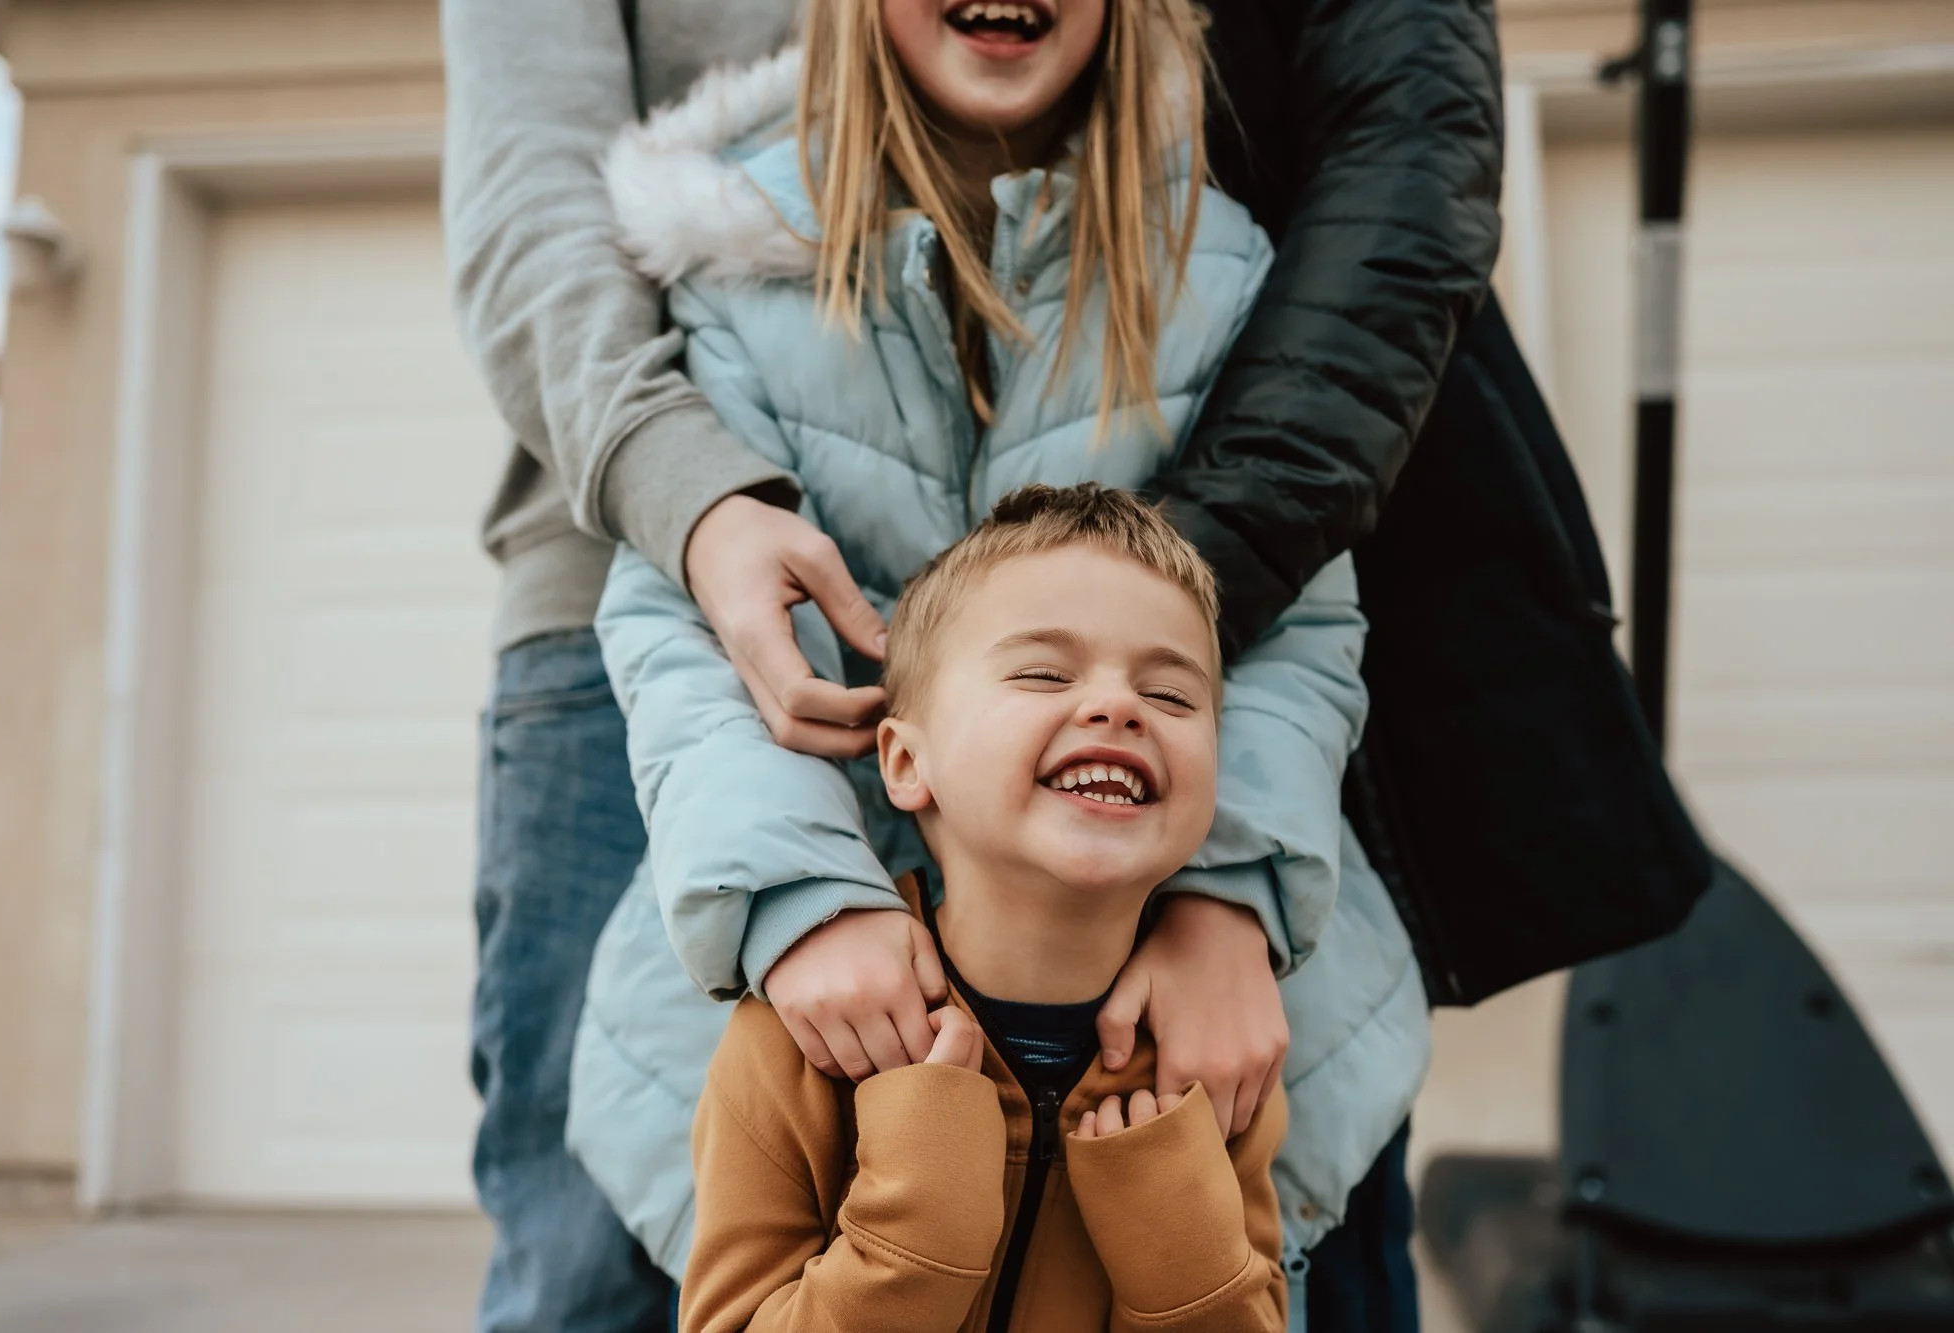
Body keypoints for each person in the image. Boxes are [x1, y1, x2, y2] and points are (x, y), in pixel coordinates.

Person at [441, 0, 1504, 1328]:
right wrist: (796, 900)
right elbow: (683, 635)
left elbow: (1293, 622)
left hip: (1158, 963)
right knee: (622, 1275)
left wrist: (1232, 891)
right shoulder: (732, 268)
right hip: (813, 913)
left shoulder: (1217, 268)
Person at [680, 485, 1293, 1333]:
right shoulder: (796, 1039)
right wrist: (914, 1238)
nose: (1118, 706)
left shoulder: (1214, 1060)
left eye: (1173, 695)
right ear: (903, 761)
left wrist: (1183, 1257)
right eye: (1045, 672)